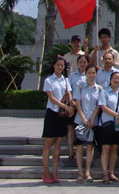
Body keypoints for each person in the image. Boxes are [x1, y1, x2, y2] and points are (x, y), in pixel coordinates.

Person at [41, 56, 73, 184]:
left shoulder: (66, 80)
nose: (60, 67)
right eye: (58, 65)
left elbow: (69, 94)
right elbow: (51, 97)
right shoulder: (49, 80)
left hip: (62, 115)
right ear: (54, 66)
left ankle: (54, 172)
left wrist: (71, 105)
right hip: (52, 113)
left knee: (58, 142)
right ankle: (46, 171)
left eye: (62, 65)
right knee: (49, 142)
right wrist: (65, 106)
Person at [98, 71, 119, 184]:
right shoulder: (104, 92)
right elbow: (103, 107)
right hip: (107, 124)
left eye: (118, 78)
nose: (116, 80)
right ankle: (105, 173)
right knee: (106, 148)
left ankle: (111, 172)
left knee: (115, 148)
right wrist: (117, 115)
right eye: (114, 78)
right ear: (110, 80)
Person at [73, 64, 101, 183]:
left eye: (93, 73)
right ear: (85, 74)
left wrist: (92, 119)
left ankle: (87, 172)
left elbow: (98, 106)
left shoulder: (99, 89)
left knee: (90, 147)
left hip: (92, 122)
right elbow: (78, 104)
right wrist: (84, 119)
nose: (91, 75)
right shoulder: (80, 87)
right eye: (89, 73)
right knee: (79, 147)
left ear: (96, 74)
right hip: (80, 121)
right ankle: (80, 172)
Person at [67, 54, 89, 160]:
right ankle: (71, 150)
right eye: (80, 62)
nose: (82, 64)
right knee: (71, 127)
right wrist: (71, 100)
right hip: (73, 104)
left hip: (85, 105)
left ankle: (83, 149)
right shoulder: (72, 75)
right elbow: (68, 89)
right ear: (77, 64)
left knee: (84, 127)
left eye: (84, 62)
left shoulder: (89, 74)